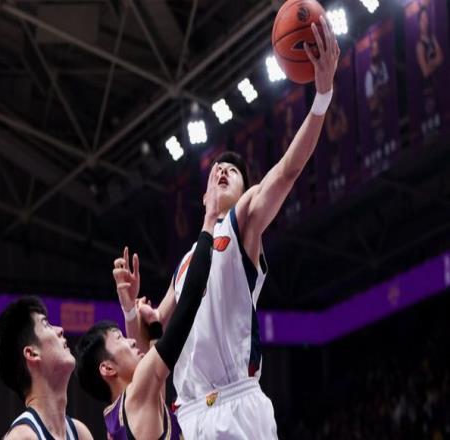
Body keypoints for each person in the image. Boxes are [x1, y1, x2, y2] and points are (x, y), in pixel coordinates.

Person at [118, 16, 340, 439]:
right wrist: (132, 311)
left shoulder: (243, 223)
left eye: (233, 172)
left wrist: (322, 96)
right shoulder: (187, 264)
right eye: (217, 168)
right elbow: (150, 352)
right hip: (188, 414)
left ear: (245, 192)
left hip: (236, 405)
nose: (222, 170)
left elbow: (288, 170)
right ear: (203, 194)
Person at [75, 164, 220, 439]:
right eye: (120, 339)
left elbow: (153, 366)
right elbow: (188, 306)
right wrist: (209, 222)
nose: (130, 342)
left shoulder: (116, 418)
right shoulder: (138, 392)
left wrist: (139, 317)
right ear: (107, 368)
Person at [0, 296, 93, 440]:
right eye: (46, 325)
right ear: (32, 353)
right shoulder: (21, 437)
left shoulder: (80, 433)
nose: (60, 330)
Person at [415, 4, 444, 135]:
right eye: (422, 19)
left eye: (426, 18)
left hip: (438, 84)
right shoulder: (420, 45)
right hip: (427, 90)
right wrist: (434, 62)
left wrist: (431, 63)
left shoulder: (432, 39)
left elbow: (441, 58)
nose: (425, 22)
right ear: (419, 23)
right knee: (432, 125)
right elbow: (425, 71)